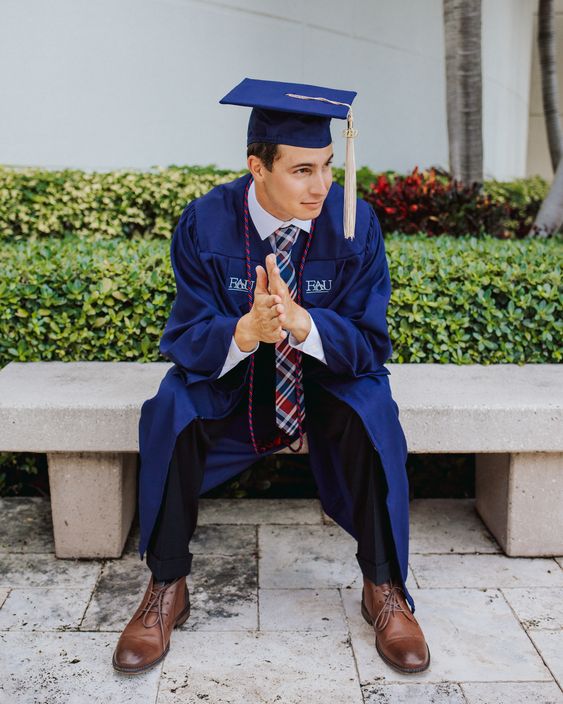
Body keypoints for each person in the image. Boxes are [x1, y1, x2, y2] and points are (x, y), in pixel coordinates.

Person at [112, 78, 430, 676]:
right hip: (237, 384)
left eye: (328, 167)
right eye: (302, 171)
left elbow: (369, 343)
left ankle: (383, 585)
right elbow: (186, 335)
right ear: (257, 166)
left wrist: (307, 325)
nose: (322, 186)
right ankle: (165, 585)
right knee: (173, 408)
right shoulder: (206, 223)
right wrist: (245, 332)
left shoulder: (354, 223)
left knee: (372, 411)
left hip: (323, 383)